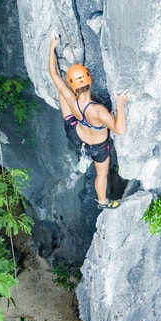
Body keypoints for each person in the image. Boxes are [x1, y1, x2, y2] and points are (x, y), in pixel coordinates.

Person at [48, 35, 129, 209]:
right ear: (89, 81)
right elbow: (119, 129)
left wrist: (52, 47)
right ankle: (103, 202)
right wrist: (120, 105)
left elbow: (53, 74)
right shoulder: (98, 111)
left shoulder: (72, 99)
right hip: (98, 147)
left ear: (73, 84)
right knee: (102, 174)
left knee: (61, 91)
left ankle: (84, 156)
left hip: (76, 136)